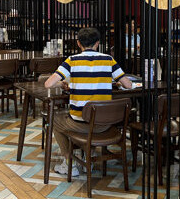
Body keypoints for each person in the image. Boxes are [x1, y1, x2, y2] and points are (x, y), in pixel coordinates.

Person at [44, 27, 133, 176]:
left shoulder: (72, 60)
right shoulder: (108, 60)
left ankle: (69, 163)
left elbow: (48, 84)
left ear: (78, 43)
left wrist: (62, 84)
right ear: (97, 43)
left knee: (54, 119)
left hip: (81, 123)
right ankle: (88, 159)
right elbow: (128, 85)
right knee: (94, 115)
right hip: (105, 125)